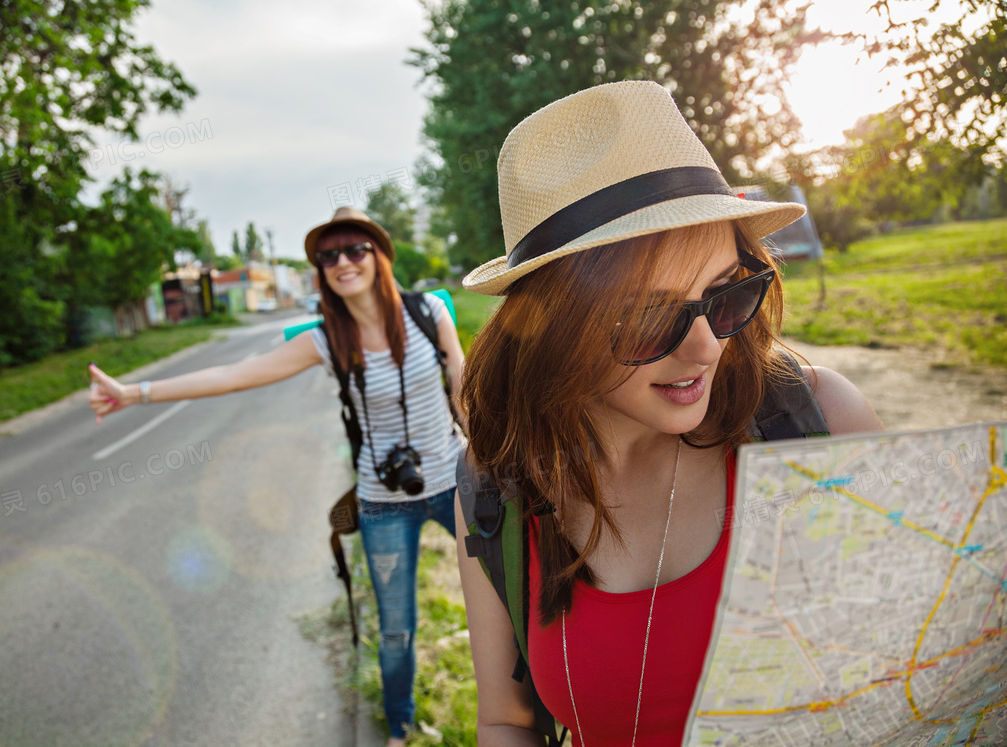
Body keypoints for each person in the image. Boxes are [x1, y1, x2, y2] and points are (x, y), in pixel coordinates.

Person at [454, 81, 883, 746]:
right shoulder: (497, 487)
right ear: (553, 328)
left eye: (726, 293)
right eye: (649, 315)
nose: (707, 344)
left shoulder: (820, 424)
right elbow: (505, 718)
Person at [88, 207, 466, 745]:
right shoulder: (326, 340)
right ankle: (400, 727)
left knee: (507, 594)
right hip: (383, 502)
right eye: (328, 255)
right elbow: (232, 375)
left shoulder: (429, 311)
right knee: (398, 632)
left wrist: (485, 454)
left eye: (354, 249)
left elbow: (463, 384)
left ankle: (529, 703)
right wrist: (134, 392)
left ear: (379, 255)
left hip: (454, 481)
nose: (343, 262)